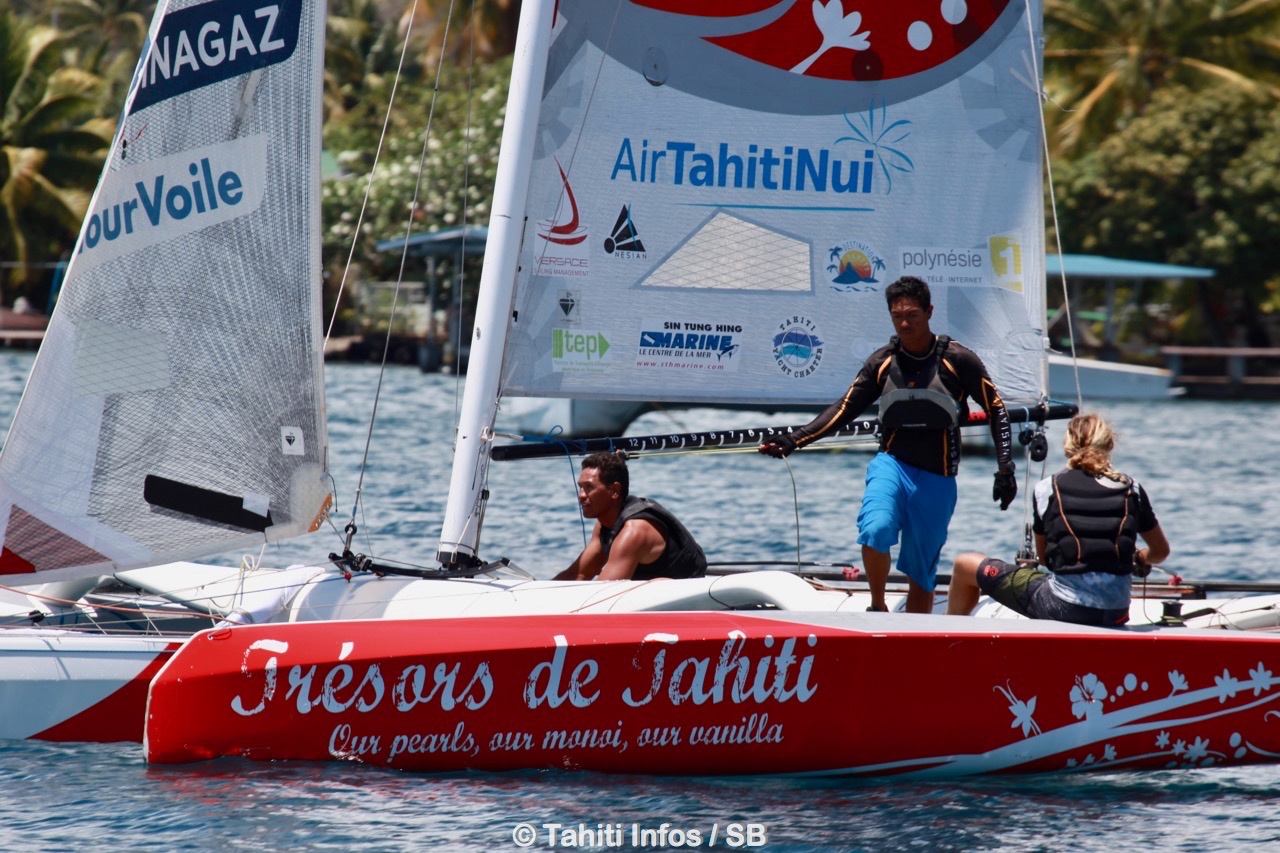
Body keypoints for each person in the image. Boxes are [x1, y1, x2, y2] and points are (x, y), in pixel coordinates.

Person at [759, 275, 1016, 613]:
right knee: (876, 529)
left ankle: (913, 632)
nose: (905, 324)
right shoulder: (882, 361)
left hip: (937, 476)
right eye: (897, 316)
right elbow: (844, 408)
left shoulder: (958, 359)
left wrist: (1005, 469)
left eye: (912, 315)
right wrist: (794, 440)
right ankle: (878, 607)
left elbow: (996, 409)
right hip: (892, 464)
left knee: (921, 574)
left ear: (929, 312)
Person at [946, 412, 1171, 626]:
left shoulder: (1047, 488)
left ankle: (949, 642)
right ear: (1109, 444)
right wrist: (1138, 558)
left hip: (1063, 608)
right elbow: (1160, 552)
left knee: (964, 564)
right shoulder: (1132, 488)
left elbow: (1045, 560)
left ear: (1067, 446)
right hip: (1117, 612)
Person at [555, 450, 707, 581]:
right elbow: (579, 574)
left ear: (615, 491)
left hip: (689, 594)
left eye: (589, 487)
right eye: (580, 487)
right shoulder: (604, 526)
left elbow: (601, 595)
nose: (581, 495)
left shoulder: (634, 531)